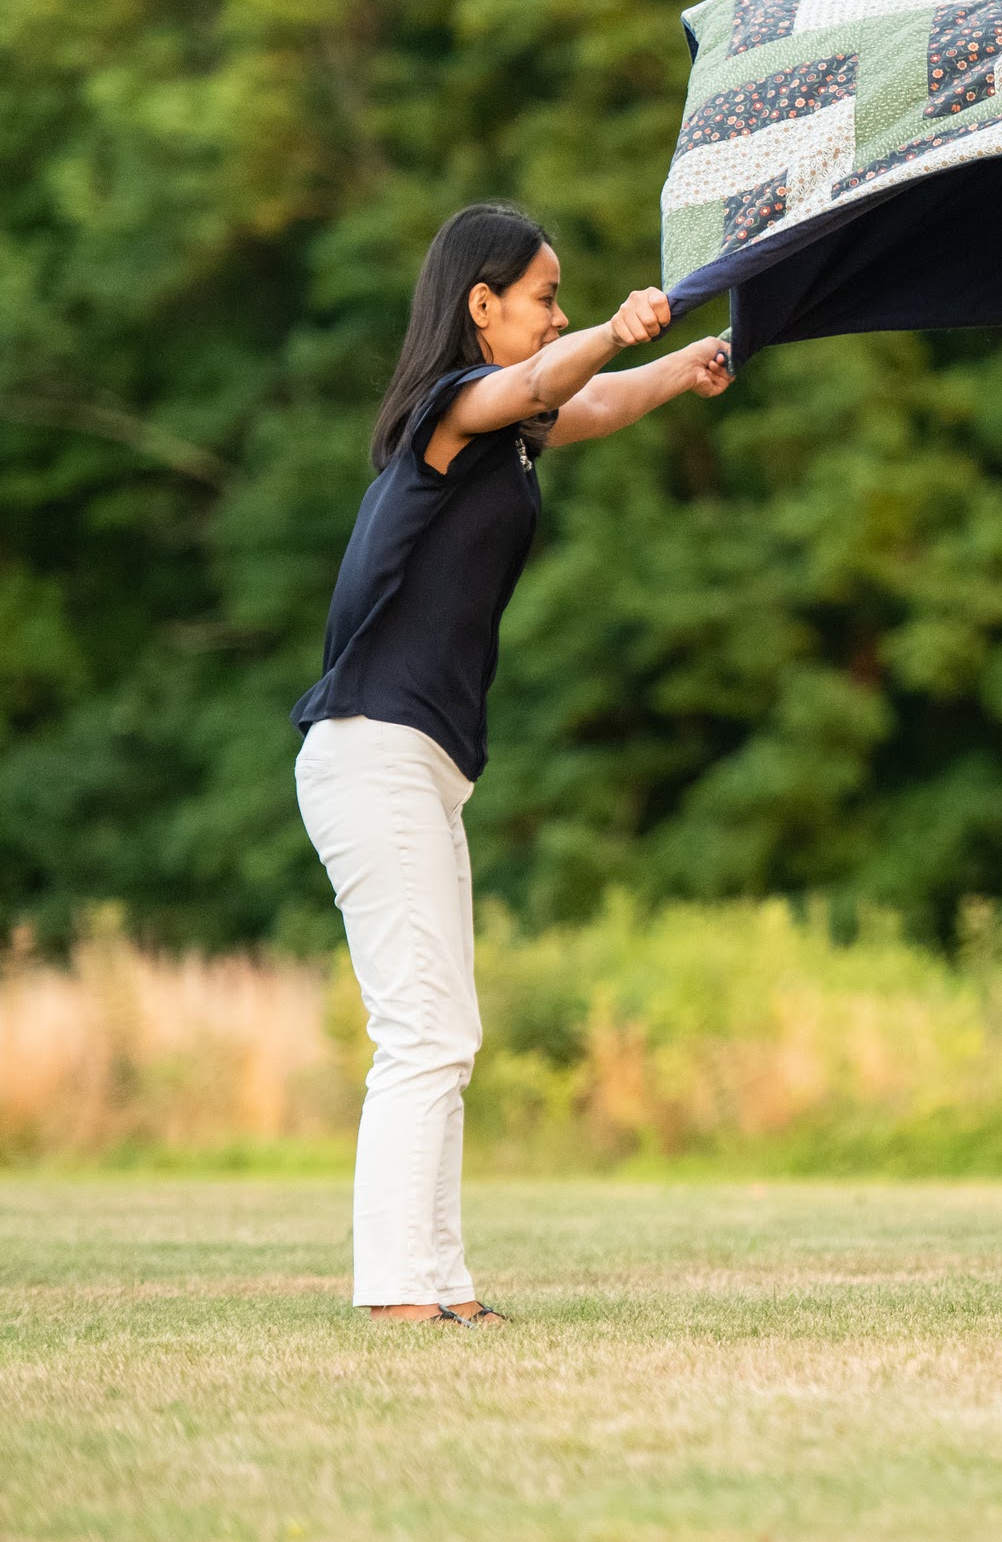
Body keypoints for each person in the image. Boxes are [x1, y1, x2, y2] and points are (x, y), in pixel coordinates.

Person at [292, 202, 733, 1328]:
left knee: (447, 1032)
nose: (560, 313)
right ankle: (398, 1294)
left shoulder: (510, 430)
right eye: (545, 296)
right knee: (424, 1034)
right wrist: (625, 326)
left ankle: (442, 1288)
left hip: (416, 763)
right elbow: (540, 386)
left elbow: (594, 400)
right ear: (480, 305)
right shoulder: (450, 411)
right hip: (372, 749)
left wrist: (689, 360)